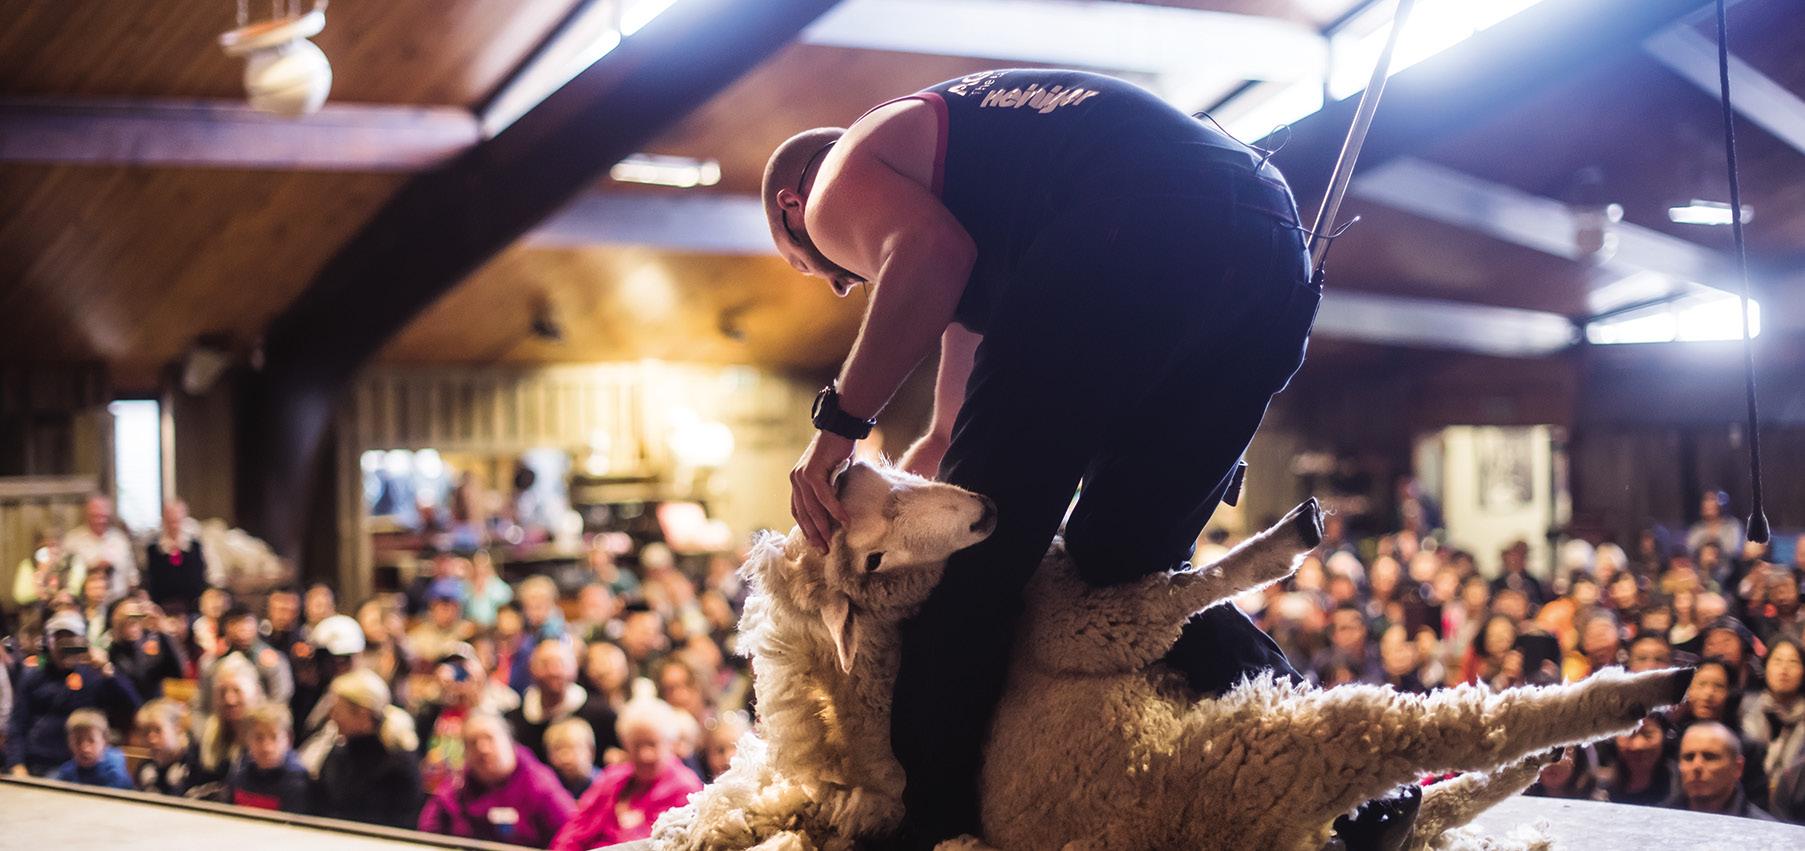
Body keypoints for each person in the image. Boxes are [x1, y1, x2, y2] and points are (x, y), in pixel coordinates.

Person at [770, 69, 1323, 844]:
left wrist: (835, 430)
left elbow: (927, 255)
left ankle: (931, 830)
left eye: (809, 264)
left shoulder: (836, 180)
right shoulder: (981, 173)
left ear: (791, 208)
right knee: (1126, 568)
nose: (837, 283)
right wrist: (931, 454)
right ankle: (1336, 764)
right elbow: (957, 367)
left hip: (1131, 226)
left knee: (975, 573)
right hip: (1270, 242)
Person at [553, 697, 702, 849]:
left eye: (652, 744)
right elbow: (575, 828)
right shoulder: (612, 777)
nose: (644, 755)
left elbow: (653, 846)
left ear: (669, 743)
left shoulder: (684, 788)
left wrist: (630, 828)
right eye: (637, 745)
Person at [6, 610, 141, 776]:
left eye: (70, 639)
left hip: (81, 766)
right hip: (37, 762)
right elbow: (17, 725)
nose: (64, 646)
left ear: (82, 642)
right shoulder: (33, 677)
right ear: (48, 642)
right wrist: (16, 764)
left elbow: (133, 705)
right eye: (58, 639)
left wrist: (108, 670)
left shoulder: (94, 676)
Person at [418, 710, 575, 848]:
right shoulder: (457, 786)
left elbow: (571, 835)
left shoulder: (540, 785)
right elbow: (429, 831)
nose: (482, 749)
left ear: (510, 742)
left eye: (489, 739)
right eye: (473, 743)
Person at [312, 669, 424, 829]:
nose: (332, 716)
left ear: (363, 714)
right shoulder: (339, 752)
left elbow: (398, 823)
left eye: (337, 710)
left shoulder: (398, 764)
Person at [506, 640, 619, 765]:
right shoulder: (516, 719)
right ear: (531, 668)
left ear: (575, 667)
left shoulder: (600, 713)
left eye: (560, 664)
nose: (553, 672)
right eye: (545, 665)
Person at [1666, 722, 1776, 820]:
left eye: (1709, 757)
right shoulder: (1661, 819)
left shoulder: (1765, 830)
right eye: (1689, 757)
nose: (1696, 767)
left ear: (1738, 768)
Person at [1742, 637, 1805, 803]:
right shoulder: (1744, 709)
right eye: (1777, 661)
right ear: (1766, 666)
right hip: (1749, 797)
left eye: (1793, 662)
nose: (1784, 670)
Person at [224, 703, 309, 813]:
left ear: (288, 739)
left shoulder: (298, 781)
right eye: (258, 738)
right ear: (247, 740)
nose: (266, 747)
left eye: (274, 737)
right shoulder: (239, 772)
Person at [106, 595, 186, 701]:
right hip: (125, 705)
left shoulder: (154, 640)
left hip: (154, 704)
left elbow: (179, 671)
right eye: (126, 620)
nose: (131, 623)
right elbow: (134, 676)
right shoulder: (113, 649)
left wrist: (163, 631)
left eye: (136, 619)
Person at [61, 494, 137, 604]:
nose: (100, 520)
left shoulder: (120, 539)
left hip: (118, 602)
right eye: (95, 516)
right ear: (87, 515)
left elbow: (132, 576)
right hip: (83, 604)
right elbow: (64, 576)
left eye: (104, 516)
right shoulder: (72, 540)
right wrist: (92, 568)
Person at [144, 499, 207, 616]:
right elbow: (148, 579)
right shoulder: (153, 548)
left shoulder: (195, 545)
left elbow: (205, 574)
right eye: (170, 520)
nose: (174, 524)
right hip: (162, 608)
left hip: (192, 608)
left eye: (177, 520)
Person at [51, 708, 132, 789]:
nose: (84, 748)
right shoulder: (68, 770)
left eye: (91, 741)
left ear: (105, 741)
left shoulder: (115, 772)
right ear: (69, 743)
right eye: (78, 741)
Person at [132, 698, 196, 796]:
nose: (151, 739)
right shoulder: (145, 767)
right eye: (146, 732)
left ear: (177, 729)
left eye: (158, 730)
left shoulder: (195, 765)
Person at [543, 717, 600, 800]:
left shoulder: (603, 785)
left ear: (590, 750)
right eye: (557, 749)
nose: (565, 758)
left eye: (572, 748)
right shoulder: (550, 785)